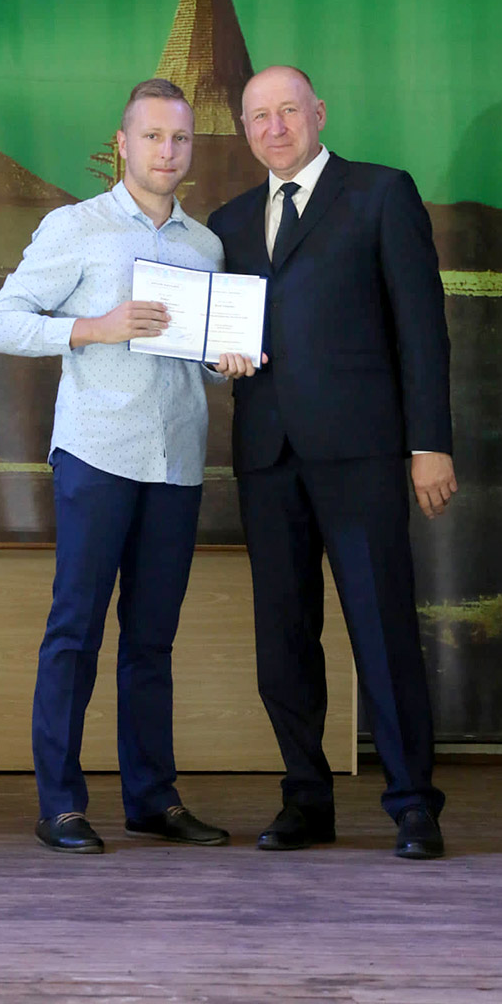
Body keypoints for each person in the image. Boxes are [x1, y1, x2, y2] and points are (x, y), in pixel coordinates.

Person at [0, 79, 259, 854]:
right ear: (123, 143)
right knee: (75, 630)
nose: (167, 151)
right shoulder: (76, 227)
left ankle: (152, 798)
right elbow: (0, 324)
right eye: (152, 136)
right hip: (97, 454)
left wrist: (225, 362)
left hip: (176, 464)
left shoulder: (205, 246)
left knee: (151, 639)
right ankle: (61, 805)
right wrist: (92, 327)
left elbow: (201, 358)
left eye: (180, 138)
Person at [208, 66, 457, 859]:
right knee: (283, 638)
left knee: (382, 627)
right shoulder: (229, 220)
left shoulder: (381, 193)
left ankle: (413, 803)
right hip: (267, 456)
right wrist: (217, 356)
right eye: (259, 116)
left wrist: (430, 442)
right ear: (245, 130)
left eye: (288, 110)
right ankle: (305, 797)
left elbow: (422, 329)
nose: (274, 127)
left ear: (318, 112)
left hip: (361, 453)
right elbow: (223, 334)